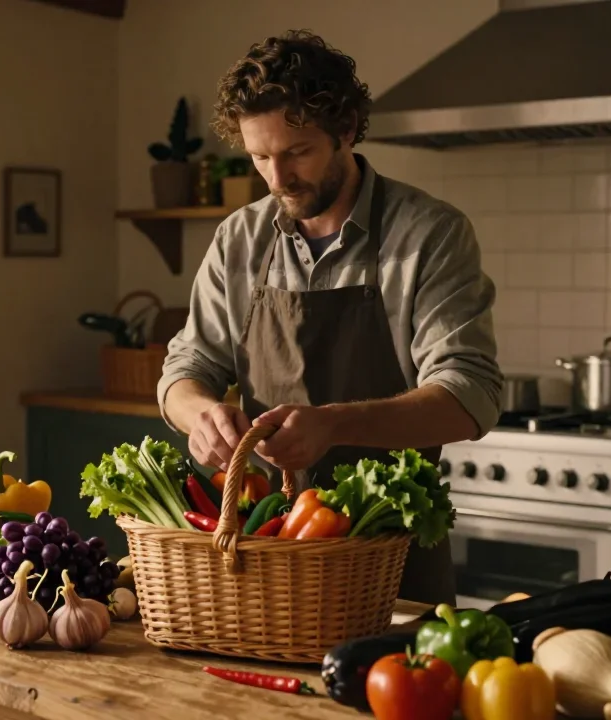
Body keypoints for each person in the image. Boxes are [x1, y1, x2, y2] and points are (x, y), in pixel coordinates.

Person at [156, 30, 502, 604]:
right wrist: (201, 416)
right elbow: (186, 365)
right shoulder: (239, 238)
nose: (277, 179)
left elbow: (471, 395)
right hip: (264, 546)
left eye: (297, 153)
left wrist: (335, 424)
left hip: (389, 556)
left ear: (345, 130)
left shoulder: (430, 234)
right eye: (260, 157)